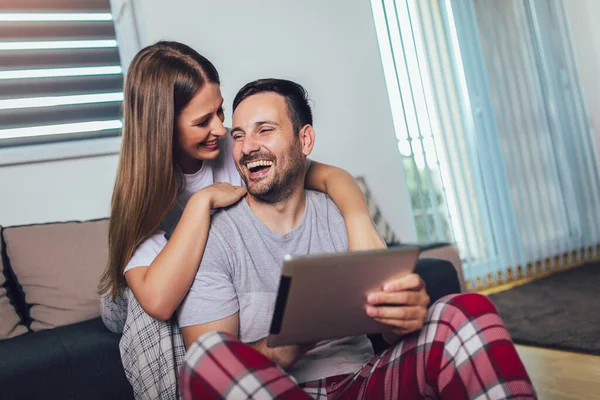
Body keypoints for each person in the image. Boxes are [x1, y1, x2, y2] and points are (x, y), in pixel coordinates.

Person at [177, 78, 537, 399]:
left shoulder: (341, 216)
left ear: (305, 140)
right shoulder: (217, 235)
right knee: (208, 357)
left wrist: (405, 316)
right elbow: (208, 367)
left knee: (466, 311)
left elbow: (391, 333)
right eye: (238, 135)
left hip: (362, 383)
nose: (246, 147)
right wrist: (283, 349)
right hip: (273, 389)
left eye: (264, 130)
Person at [98, 41, 387, 399]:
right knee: (160, 324)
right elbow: (158, 299)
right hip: (130, 297)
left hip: (184, 277)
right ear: (163, 129)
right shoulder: (144, 194)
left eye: (219, 113)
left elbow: (327, 177)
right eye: (204, 121)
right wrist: (201, 203)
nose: (221, 130)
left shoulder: (232, 153)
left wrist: (358, 222)